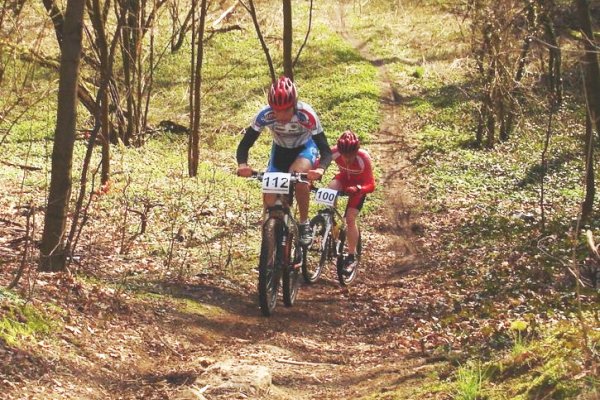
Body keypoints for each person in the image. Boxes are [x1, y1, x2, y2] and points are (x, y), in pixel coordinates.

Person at [237, 76, 332, 245]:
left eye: (286, 110)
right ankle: (270, 248)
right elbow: (245, 145)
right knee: (269, 199)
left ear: (294, 105)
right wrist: (242, 165)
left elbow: (325, 150)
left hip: (304, 149)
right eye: (276, 110)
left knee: (299, 177)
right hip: (280, 151)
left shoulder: (306, 115)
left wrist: (321, 169)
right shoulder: (264, 115)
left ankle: (304, 224)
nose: (280, 115)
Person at [328, 130, 376, 274]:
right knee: (330, 188)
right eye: (344, 155)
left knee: (350, 218)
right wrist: (310, 178)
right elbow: (319, 164)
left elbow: (371, 184)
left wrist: (359, 188)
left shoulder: (363, 158)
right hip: (343, 180)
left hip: (358, 188)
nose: (347, 159)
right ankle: (329, 221)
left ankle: (351, 255)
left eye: (351, 155)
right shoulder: (334, 152)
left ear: (356, 151)